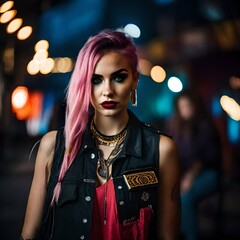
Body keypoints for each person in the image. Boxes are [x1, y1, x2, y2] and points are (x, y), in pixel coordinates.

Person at [21, 29, 180, 240]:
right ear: (84, 84)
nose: (107, 90)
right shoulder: (53, 146)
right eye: (96, 80)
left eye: (119, 78)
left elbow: (169, 236)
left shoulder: (161, 150)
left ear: (135, 80)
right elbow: (29, 234)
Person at [167, 90, 221, 240]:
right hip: (186, 174)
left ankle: (190, 236)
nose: (185, 109)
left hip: (209, 174)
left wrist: (190, 176)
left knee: (185, 196)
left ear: (195, 106)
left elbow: (209, 158)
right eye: (182, 106)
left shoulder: (205, 126)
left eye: (188, 105)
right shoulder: (178, 128)